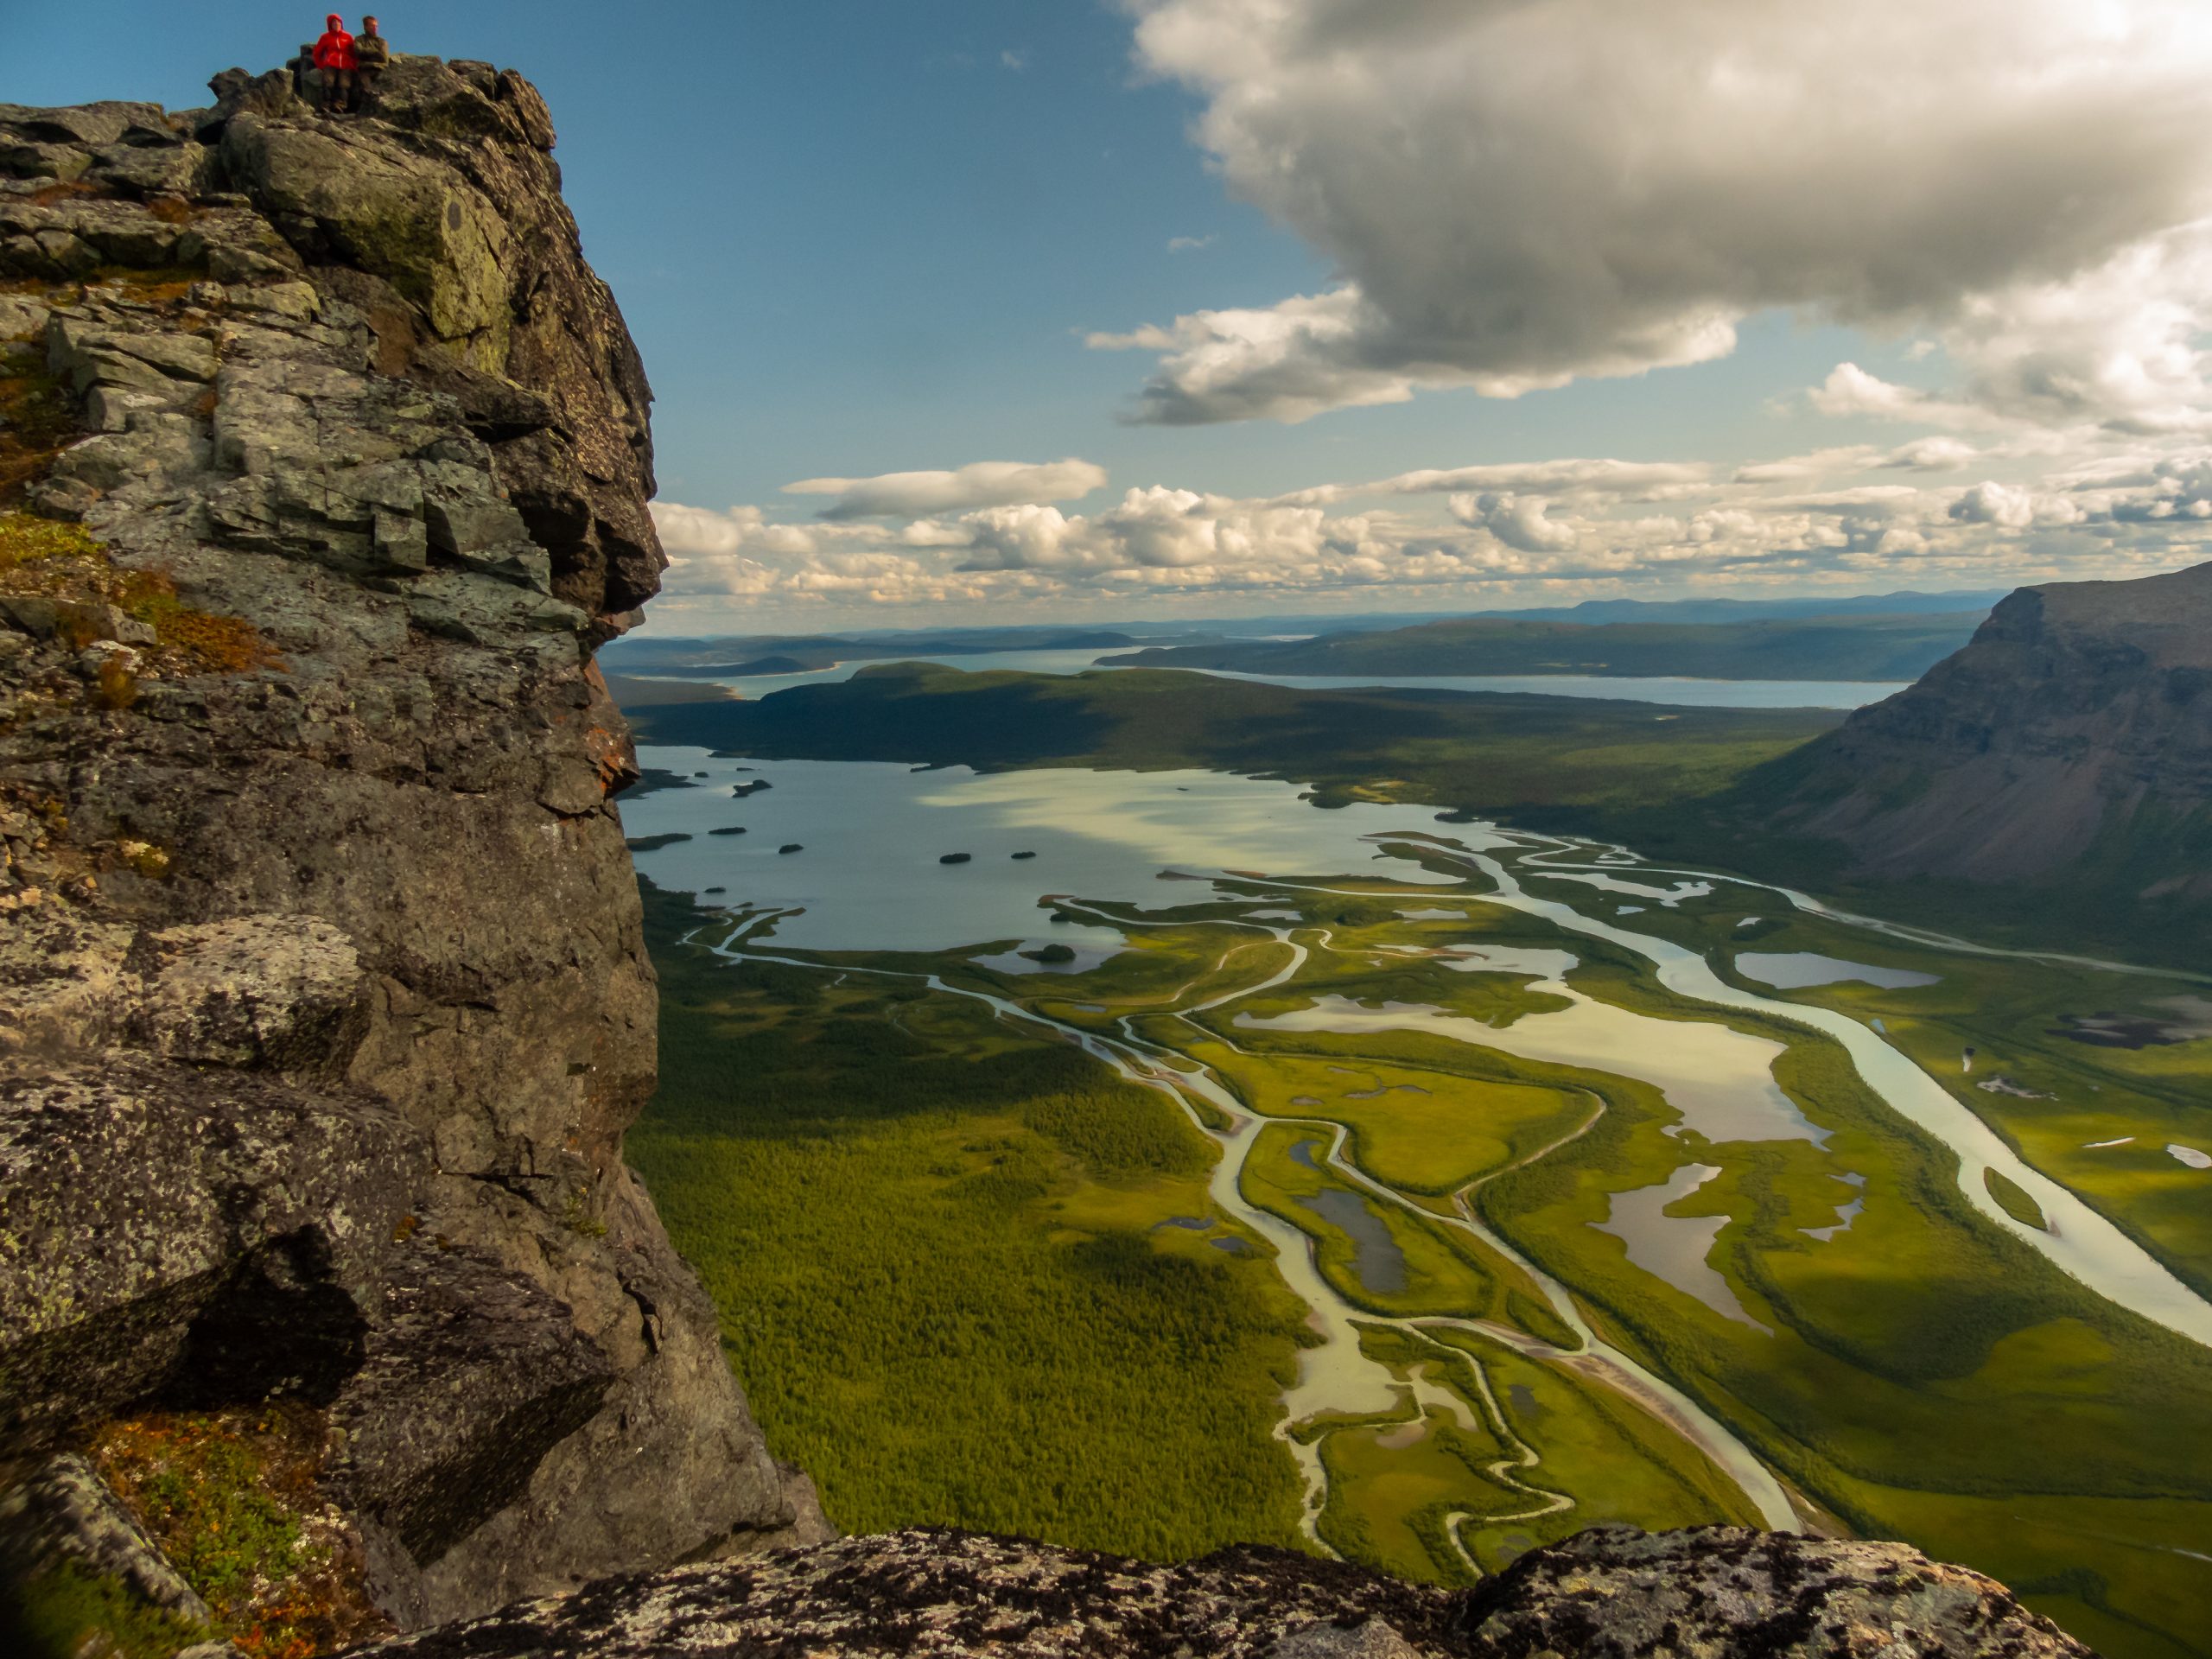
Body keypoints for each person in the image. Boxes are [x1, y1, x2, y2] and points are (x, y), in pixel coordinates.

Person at [312, 14, 358, 113]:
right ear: (330, 25)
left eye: (338, 22)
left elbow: (354, 53)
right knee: (328, 83)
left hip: (346, 64)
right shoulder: (325, 37)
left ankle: (340, 106)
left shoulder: (348, 37)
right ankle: (326, 105)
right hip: (330, 64)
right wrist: (321, 65)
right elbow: (317, 53)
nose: (336, 24)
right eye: (334, 22)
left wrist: (353, 65)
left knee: (344, 85)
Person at [353, 16, 390, 108]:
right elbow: (358, 52)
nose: (375, 28)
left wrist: (367, 54)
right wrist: (375, 52)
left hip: (379, 69)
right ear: (365, 27)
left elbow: (383, 58)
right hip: (365, 70)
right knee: (364, 84)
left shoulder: (382, 41)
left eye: (376, 26)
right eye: (372, 26)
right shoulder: (359, 39)